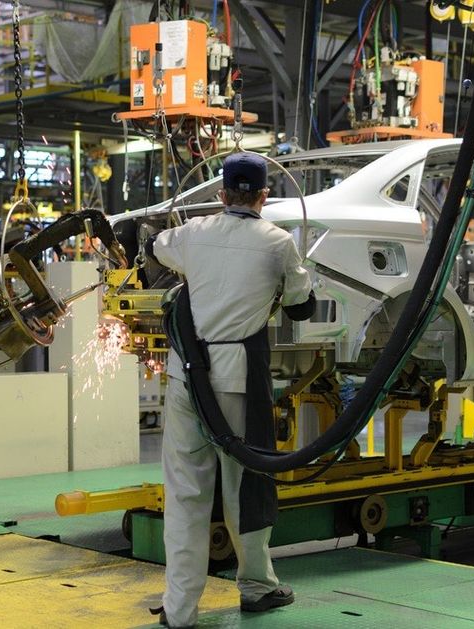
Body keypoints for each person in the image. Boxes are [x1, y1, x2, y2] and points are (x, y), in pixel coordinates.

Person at [147, 153, 316, 628]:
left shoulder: (192, 233)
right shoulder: (279, 243)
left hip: (186, 378)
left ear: (221, 194)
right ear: (264, 196)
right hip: (239, 379)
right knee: (246, 484)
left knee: (185, 494)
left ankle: (179, 612)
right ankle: (257, 587)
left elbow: (155, 246)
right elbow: (303, 307)